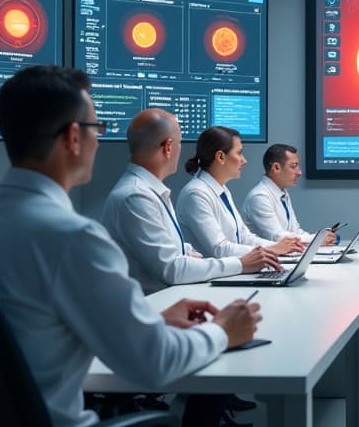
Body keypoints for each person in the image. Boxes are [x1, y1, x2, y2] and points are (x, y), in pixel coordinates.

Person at [0, 65, 261, 427]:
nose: (99, 143)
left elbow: (31, 324)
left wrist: (148, 318)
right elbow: (155, 363)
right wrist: (222, 330)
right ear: (73, 137)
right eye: (96, 129)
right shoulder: (74, 238)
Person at [102, 109, 282, 295]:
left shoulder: (150, 191)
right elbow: (171, 269)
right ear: (168, 147)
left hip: (170, 299)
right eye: (180, 143)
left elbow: (169, 250)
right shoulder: (137, 196)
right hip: (156, 306)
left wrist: (187, 253)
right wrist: (240, 264)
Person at [176, 126, 303, 260]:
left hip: (231, 271)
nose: (244, 160)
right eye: (239, 153)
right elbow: (219, 248)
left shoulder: (222, 189)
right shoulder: (196, 194)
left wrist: (278, 247)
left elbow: (244, 237)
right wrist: (272, 249)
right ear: (221, 157)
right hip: (211, 277)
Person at [241, 143, 337, 246]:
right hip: (267, 260)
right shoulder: (259, 197)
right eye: (293, 166)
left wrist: (318, 239)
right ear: (276, 168)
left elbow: (295, 232)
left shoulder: (282, 193)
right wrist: (316, 239)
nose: (299, 172)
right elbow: (277, 237)